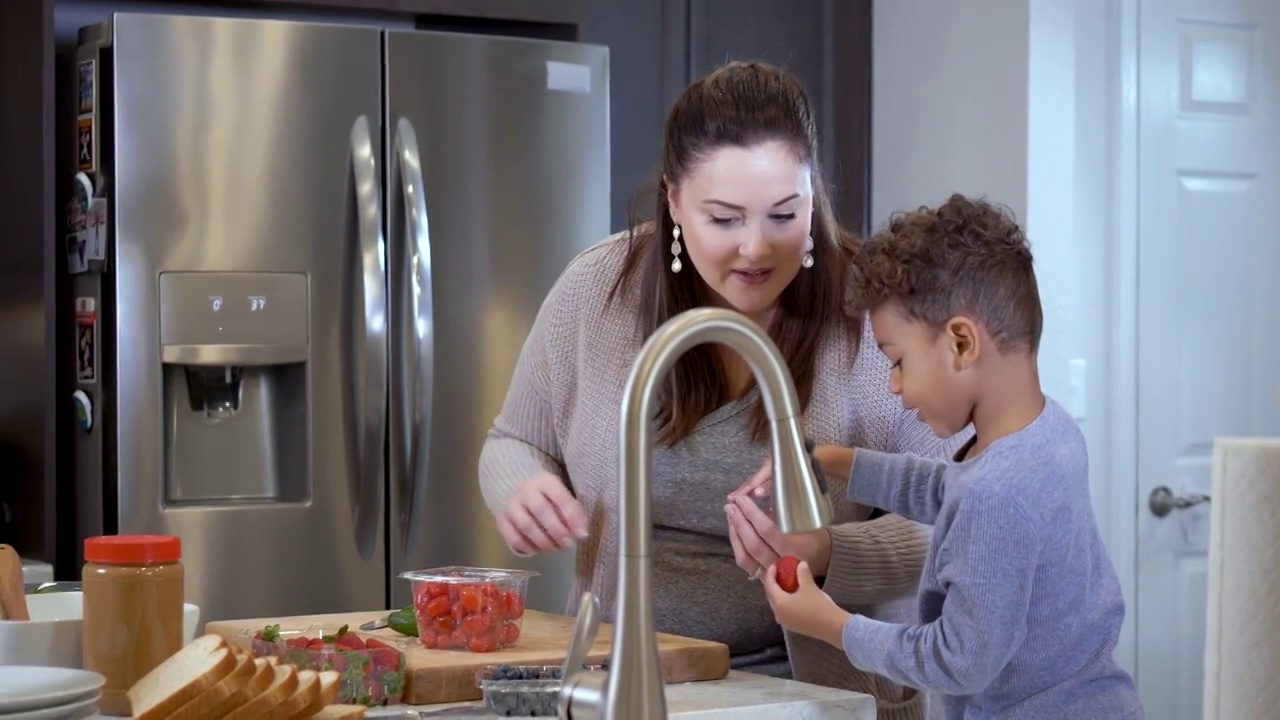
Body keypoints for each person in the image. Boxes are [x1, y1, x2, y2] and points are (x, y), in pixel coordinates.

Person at [478, 60, 965, 718]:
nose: (756, 249)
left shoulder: (874, 316)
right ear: (675, 200)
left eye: (784, 214)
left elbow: (959, 515)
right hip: (628, 677)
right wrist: (518, 485)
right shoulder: (597, 291)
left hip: (816, 693)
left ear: (813, 195)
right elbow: (513, 440)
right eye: (725, 219)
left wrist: (827, 552)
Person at [749, 195, 1145, 718]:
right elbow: (945, 489)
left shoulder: (996, 494)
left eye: (898, 361)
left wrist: (830, 623)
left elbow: (959, 660)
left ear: (961, 343)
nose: (892, 385)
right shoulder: (1048, 433)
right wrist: (831, 459)